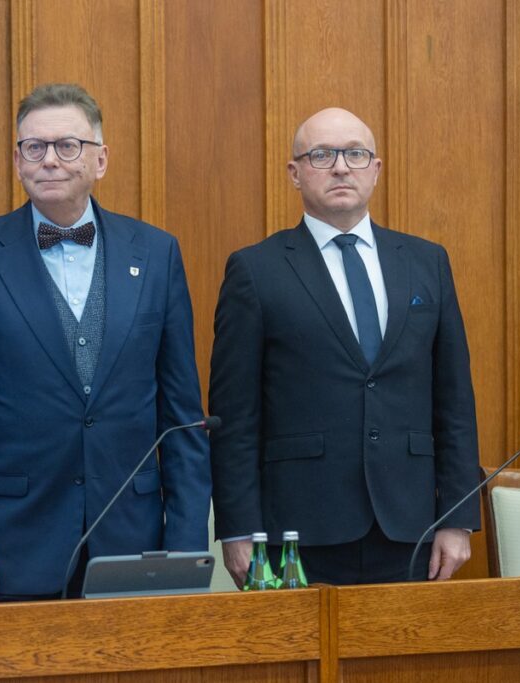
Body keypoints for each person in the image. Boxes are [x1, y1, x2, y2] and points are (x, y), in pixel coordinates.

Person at [0, 83, 211, 602]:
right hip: (13, 547)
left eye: (68, 146)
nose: (50, 160)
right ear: (17, 161)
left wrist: (187, 547)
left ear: (101, 159)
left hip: (135, 547)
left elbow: (183, 419)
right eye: (35, 147)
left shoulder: (157, 254)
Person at [209, 107, 479, 586]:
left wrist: (458, 517)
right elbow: (235, 416)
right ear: (295, 173)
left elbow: (454, 401)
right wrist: (238, 530)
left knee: (403, 662)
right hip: (298, 532)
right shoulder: (256, 270)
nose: (340, 167)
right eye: (321, 155)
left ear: (376, 169)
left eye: (355, 154)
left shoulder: (426, 262)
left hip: (411, 528)